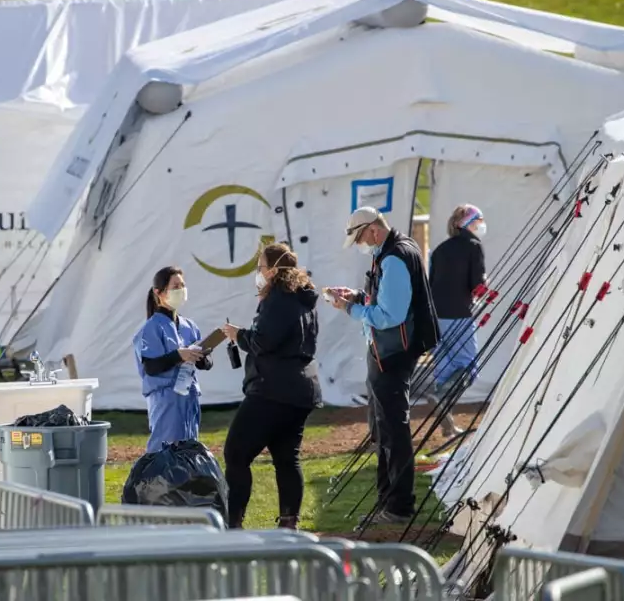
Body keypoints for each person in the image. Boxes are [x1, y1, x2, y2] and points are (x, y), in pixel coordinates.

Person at [326, 207, 439, 525]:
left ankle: (399, 507)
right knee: (383, 428)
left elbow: (391, 315)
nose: (361, 244)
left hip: (392, 353)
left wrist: (350, 309)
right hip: (386, 351)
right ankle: (388, 502)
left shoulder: (393, 257)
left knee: (392, 429)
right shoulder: (395, 250)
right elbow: (385, 301)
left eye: (360, 237)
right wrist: (360, 297)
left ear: (374, 230)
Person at [220, 243, 322, 530]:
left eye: (261, 267)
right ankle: (289, 524)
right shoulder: (303, 299)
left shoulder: (278, 298)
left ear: (274, 270)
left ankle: (234, 522)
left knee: (236, 453)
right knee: (287, 458)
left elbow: (264, 341)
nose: (258, 273)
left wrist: (240, 335)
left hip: (272, 389)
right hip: (302, 389)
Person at [133, 266, 213, 453]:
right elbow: (151, 367)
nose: (181, 290)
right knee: (164, 450)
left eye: (183, 285)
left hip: (189, 397)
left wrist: (202, 358)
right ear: (159, 293)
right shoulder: (151, 328)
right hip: (166, 399)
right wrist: (179, 355)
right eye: (175, 286)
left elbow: (206, 364)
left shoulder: (189, 326)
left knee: (188, 450)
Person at [427, 204, 488, 437]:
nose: (482, 225)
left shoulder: (440, 250)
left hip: (436, 316)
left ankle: (448, 425)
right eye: (479, 220)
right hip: (459, 315)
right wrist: (485, 287)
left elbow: (431, 282)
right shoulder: (473, 245)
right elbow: (478, 285)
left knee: (444, 371)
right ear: (469, 223)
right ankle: (442, 398)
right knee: (468, 368)